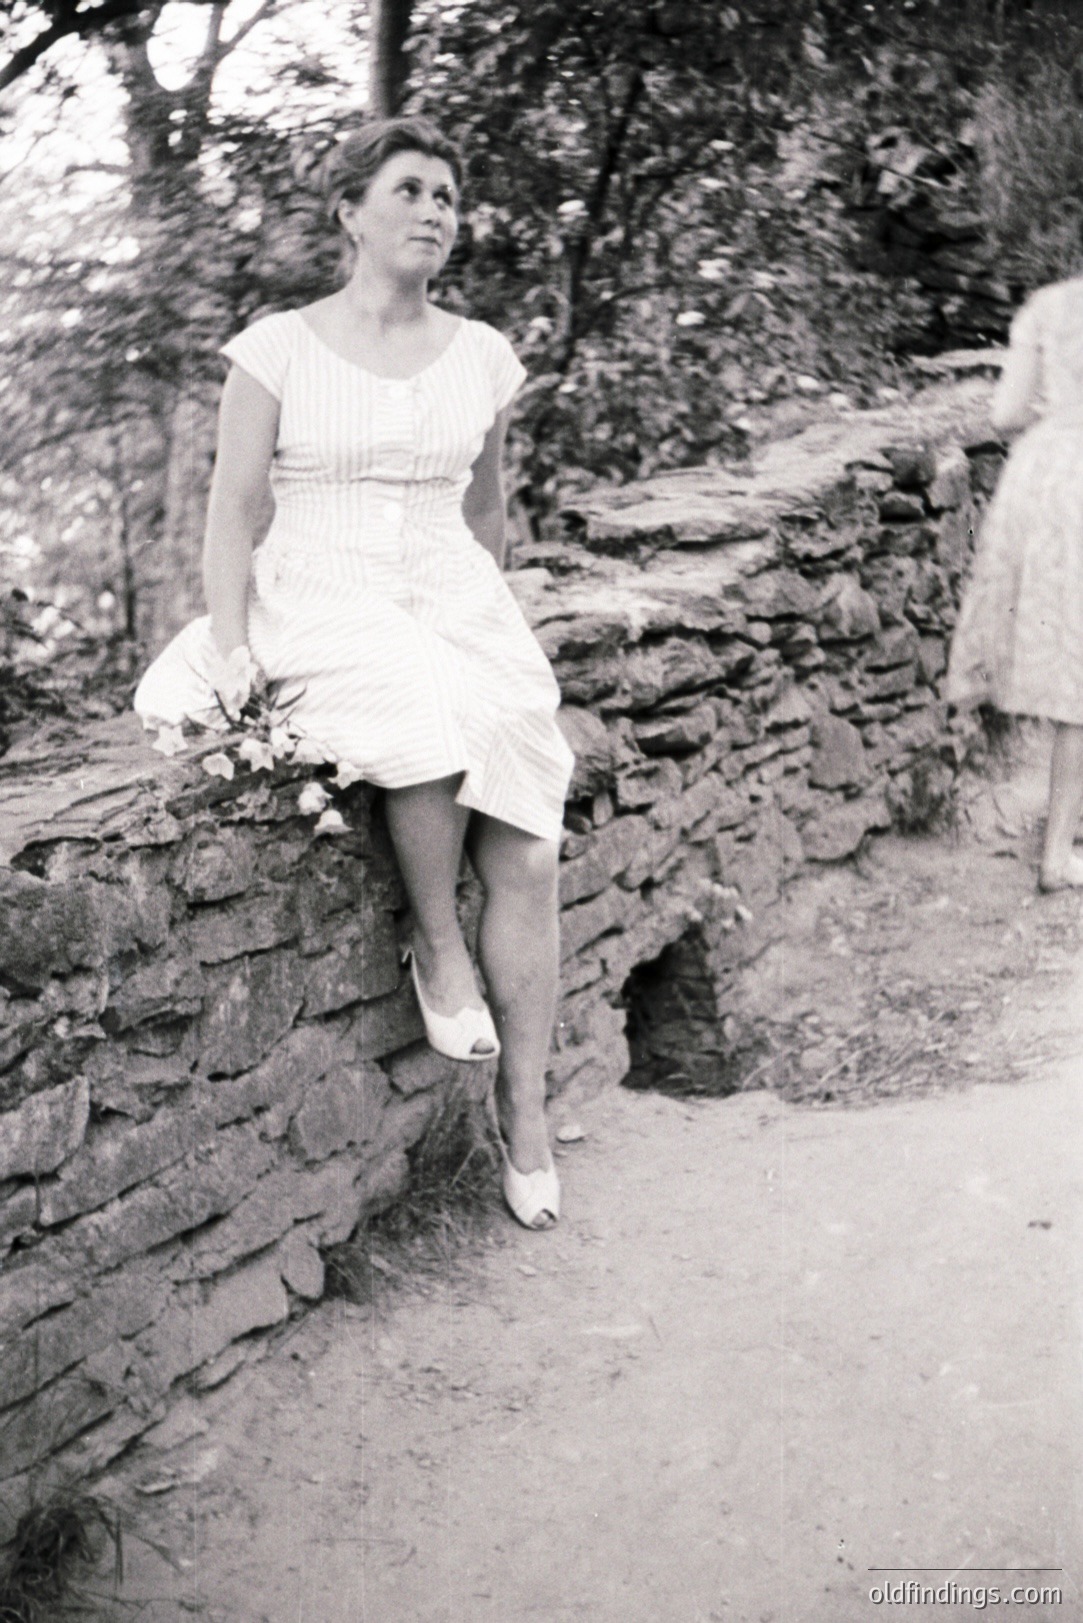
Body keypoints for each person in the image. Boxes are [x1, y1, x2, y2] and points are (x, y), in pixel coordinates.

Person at [134, 117, 574, 1228]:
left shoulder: (479, 354)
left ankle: (525, 1112)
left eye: (449, 199)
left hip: (449, 587)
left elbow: (488, 517)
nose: (436, 211)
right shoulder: (278, 347)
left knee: (527, 836)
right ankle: (438, 952)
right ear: (350, 211)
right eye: (413, 190)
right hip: (319, 589)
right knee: (413, 702)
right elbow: (232, 514)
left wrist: (485, 622)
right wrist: (234, 651)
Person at [946, 275, 1083, 891]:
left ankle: (1058, 845)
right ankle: (1057, 853)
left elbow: (1004, 414)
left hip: (1054, 479)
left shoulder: (1050, 306)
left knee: (1072, 662)